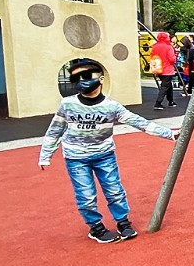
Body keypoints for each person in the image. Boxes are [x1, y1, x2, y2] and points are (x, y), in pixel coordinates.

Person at [38, 59, 176, 243]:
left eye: (87, 76)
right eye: (77, 77)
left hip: (104, 155)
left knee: (114, 190)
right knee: (85, 194)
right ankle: (95, 228)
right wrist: (45, 155)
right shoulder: (67, 104)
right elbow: (55, 130)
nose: (82, 80)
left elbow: (138, 122)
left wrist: (169, 134)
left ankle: (123, 222)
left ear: (101, 79)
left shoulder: (111, 107)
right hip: (76, 158)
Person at [150, 31, 177, 109]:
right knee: (165, 86)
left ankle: (171, 101)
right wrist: (175, 56)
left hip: (158, 69)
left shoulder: (154, 46)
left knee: (168, 85)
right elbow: (172, 59)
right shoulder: (168, 47)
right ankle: (158, 103)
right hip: (167, 70)